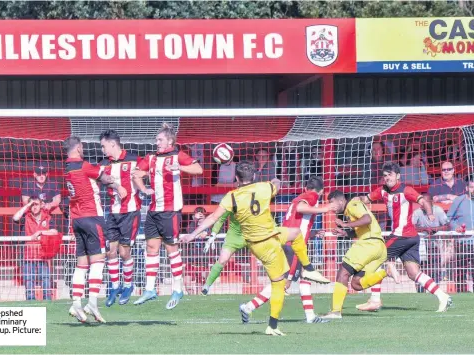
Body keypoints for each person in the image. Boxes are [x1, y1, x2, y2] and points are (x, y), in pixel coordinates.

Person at [181, 161, 328, 336]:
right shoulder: (264, 187)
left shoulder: (232, 197)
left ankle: (309, 269)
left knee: (295, 233)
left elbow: (213, 217)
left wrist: (192, 235)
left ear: (236, 178)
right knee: (279, 284)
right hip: (265, 243)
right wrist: (276, 180)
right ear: (255, 176)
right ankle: (272, 326)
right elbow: (276, 185)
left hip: (267, 236)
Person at [356, 163, 451, 313]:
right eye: (385, 176)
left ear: (398, 176)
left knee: (376, 258)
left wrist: (430, 213)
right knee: (413, 273)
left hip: (402, 235)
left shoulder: (406, 190)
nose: (387, 178)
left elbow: (423, 201)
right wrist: (354, 201)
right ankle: (442, 296)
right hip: (411, 238)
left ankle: (375, 299)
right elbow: (366, 199)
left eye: (390, 175)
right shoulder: (381, 191)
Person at [236, 176, 332, 324]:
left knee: (305, 278)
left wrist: (311, 233)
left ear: (305, 187)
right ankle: (248, 307)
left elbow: (296, 219)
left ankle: (311, 316)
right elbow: (301, 207)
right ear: (321, 191)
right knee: (283, 283)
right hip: (293, 246)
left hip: (289, 242)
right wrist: (324, 209)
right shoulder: (312, 196)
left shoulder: (298, 197)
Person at [132, 123, 203, 309]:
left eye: (160, 139)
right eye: (156, 140)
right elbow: (136, 173)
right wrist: (143, 188)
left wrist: (179, 167)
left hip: (170, 210)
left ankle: (177, 288)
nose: (157, 142)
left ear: (170, 141)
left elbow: (198, 170)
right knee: (151, 247)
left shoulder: (177, 155)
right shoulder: (152, 158)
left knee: (171, 248)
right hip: (154, 209)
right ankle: (149, 289)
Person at [63, 136, 123, 323]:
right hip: (92, 217)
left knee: (82, 264)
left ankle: (76, 303)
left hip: (77, 219)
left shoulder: (66, 169)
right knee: (98, 261)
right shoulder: (84, 165)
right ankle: (93, 302)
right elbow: (104, 178)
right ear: (79, 148)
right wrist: (115, 181)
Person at [319, 190, 389, 320]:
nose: (331, 207)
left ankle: (335, 312)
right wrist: (346, 233)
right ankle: (386, 272)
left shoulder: (352, 204)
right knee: (356, 284)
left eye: (332, 203)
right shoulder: (349, 210)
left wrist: (346, 224)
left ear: (340, 201)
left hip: (368, 244)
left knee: (343, 272)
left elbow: (367, 219)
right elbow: (362, 228)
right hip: (379, 248)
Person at [96, 130, 142, 307]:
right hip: (113, 213)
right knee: (110, 251)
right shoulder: (103, 164)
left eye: (103, 146)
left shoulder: (133, 159)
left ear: (112, 144)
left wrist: (144, 189)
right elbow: (99, 177)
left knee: (124, 253)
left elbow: (143, 174)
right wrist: (115, 184)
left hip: (130, 212)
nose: (102, 149)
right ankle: (115, 286)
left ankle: (128, 285)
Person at [13, 196, 59, 301]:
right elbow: (15, 218)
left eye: (36, 204)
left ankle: (48, 300)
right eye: (32, 205)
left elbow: (55, 232)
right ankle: (30, 300)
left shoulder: (47, 217)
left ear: (41, 205)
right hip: (29, 254)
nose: (34, 207)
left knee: (45, 278)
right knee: (29, 279)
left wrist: (41, 232)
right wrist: (28, 205)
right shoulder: (26, 217)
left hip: (43, 254)